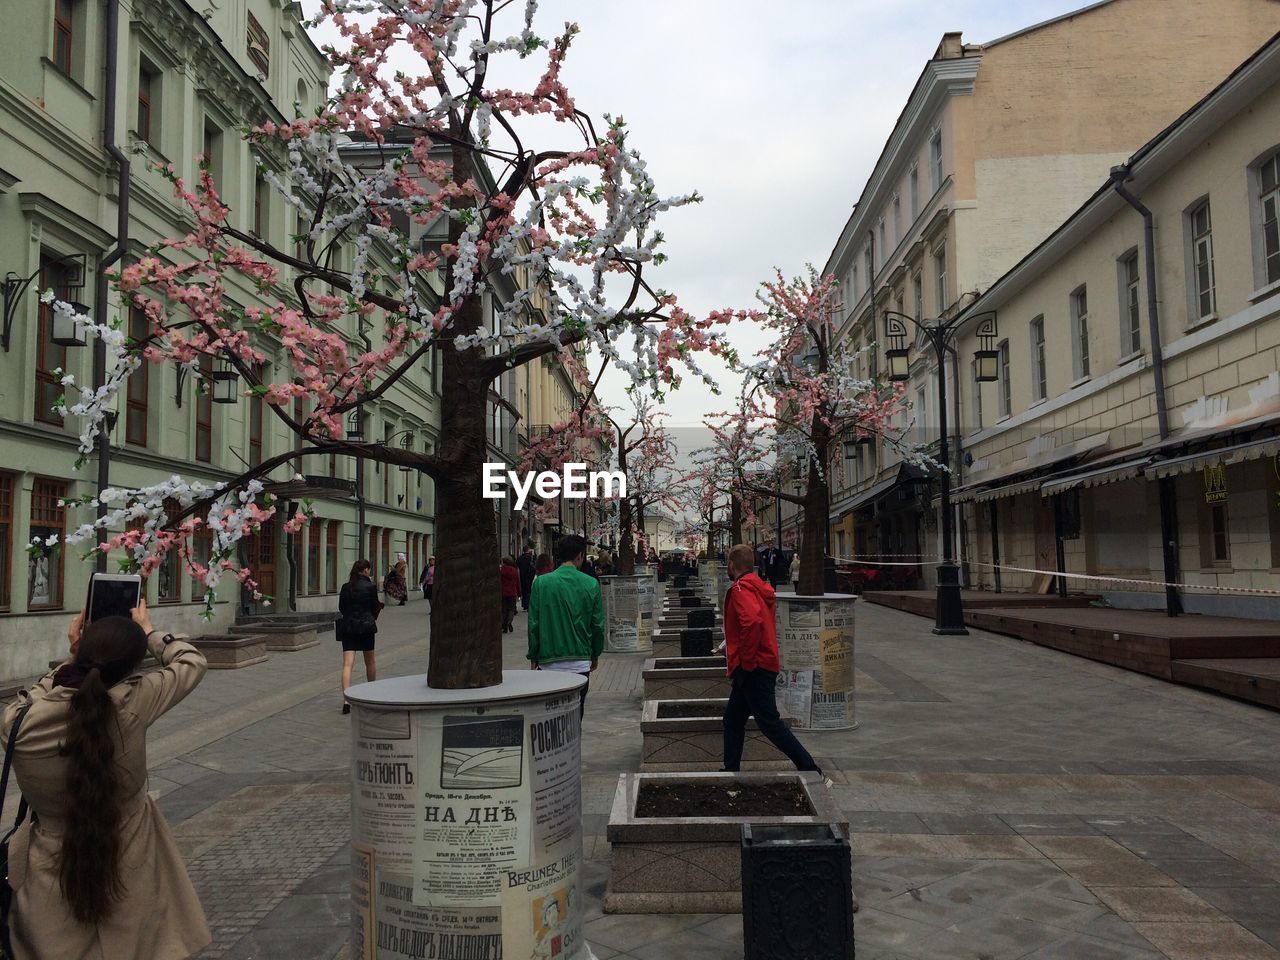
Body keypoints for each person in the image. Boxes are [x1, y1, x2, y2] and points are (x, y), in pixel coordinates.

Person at [0, 601, 211, 960]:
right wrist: (150, 633)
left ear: (80, 651)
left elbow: (43, 693)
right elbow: (191, 661)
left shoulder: (17, 724)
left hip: (48, 869)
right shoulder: (134, 703)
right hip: (132, 855)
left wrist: (72, 657)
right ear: (130, 666)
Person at [721, 543, 820, 775]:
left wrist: (745, 661)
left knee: (770, 724)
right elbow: (757, 622)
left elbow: (753, 621)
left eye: (727, 562)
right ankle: (730, 769)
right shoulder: (758, 586)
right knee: (733, 720)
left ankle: (810, 768)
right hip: (760, 662)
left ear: (732, 564)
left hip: (754, 667)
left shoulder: (740, 589)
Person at [527, 535, 605, 718]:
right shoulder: (591, 584)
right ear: (580, 555)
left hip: (548, 660)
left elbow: (533, 624)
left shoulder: (541, 583)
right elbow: (597, 625)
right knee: (576, 713)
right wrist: (595, 654)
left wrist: (534, 655)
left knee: (551, 716)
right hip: (580, 660)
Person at [338, 559, 380, 714]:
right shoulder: (370, 587)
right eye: (368, 570)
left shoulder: (345, 587)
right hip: (367, 627)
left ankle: (346, 700)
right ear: (364, 571)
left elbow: (341, 607)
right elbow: (375, 606)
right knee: (369, 662)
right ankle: (371, 693)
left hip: (348, 628)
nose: (369, 572)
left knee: (347, 664)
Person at [500, 556, 521, 633]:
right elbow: (518, 582)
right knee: (511, 609)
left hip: (503, 592)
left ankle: (503, 624)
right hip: (512, 592)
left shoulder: (501, 570)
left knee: (504, 609)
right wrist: (519, 593)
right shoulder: (515, 571)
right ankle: (509, 622)